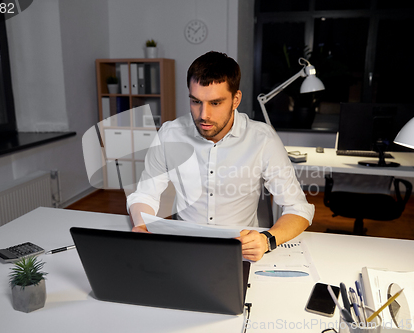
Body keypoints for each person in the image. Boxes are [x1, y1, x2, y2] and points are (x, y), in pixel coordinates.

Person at [127, 51, 314, 261]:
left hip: (241, 252)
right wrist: (142, 225)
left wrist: (267, 239)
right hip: (185, 248)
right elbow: (145, 195)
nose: (203, 115)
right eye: (196, 101)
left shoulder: (263, 139)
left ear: (236, 100)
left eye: (215, 103)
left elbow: (298, 209)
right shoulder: (170, 134)